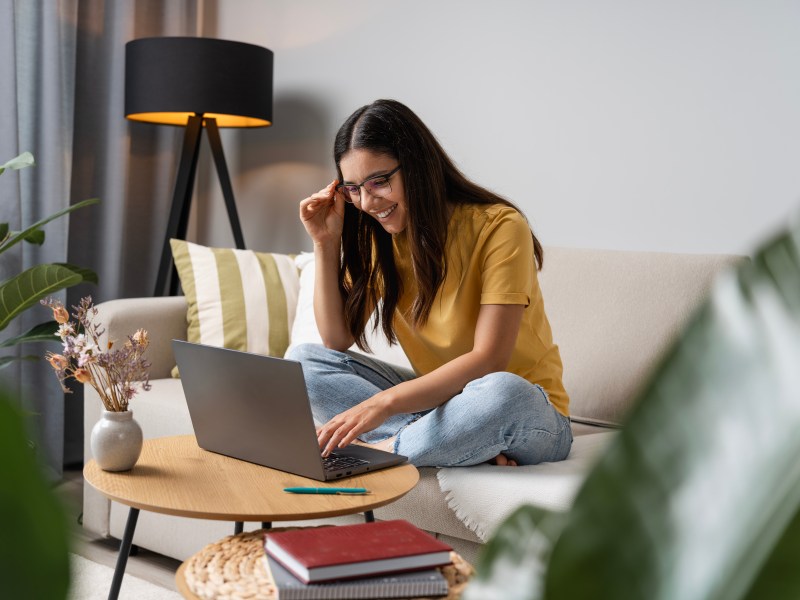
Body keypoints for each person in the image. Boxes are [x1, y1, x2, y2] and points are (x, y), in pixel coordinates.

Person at [287, 99, 572, 468]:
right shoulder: (380, 238)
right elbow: (335, 340)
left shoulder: (499, 226)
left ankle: (384, 451)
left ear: (417, 166)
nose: (368, 202)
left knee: (503, 392)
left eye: (379, 182)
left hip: (530, 412)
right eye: (353, 188)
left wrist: (383, 403)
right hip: (443, 405)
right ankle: (457, 441)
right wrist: (325, 243)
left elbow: (490, 360)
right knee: (303, 362)